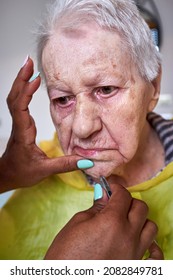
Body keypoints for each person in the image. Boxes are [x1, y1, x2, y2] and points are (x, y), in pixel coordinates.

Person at [0, 0, 172, 259]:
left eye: (105, 90)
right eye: (62, 99)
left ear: (153, 86)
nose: (81, 128)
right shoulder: (26, 173)